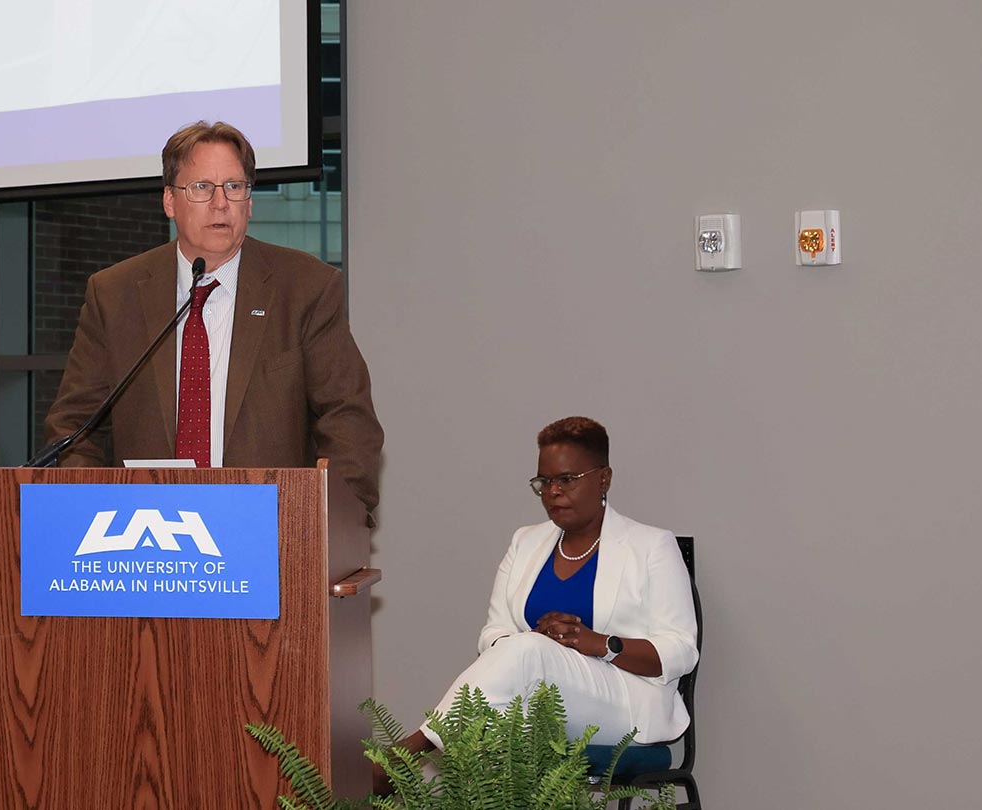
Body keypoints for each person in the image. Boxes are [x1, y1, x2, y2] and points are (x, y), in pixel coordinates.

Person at [44, 121, 383, 515]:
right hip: (145, 542)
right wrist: (92, 511)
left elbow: (348, 419)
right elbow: (75, 427)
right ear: (170, 201)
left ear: (249, 202)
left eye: (234, 187)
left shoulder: (305, 288)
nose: (221, 203)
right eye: (202, 187)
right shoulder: (115, 294)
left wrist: (329, 521)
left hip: (270, 529)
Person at [390, 416, 697, 770]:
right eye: (544, 482)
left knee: (524, 659)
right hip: (535, 699)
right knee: (506, 704)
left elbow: (680, 651)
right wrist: (540, 641)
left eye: (567, 479)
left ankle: (404, 757)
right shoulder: (525, 542)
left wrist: (597, 643)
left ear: (604, 478)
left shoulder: (652, 546)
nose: (553, 492)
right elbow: (493, 636)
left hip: (626, 704)